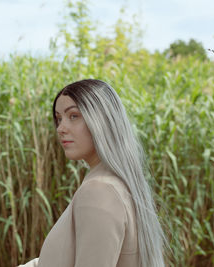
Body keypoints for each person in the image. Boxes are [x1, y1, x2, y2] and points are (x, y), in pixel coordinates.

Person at [18, 79, 166, 267]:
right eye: (59, 118)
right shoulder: (117, 183)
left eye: (73, 116)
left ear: (102, 120)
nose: (61, 128)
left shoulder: (100, 190)